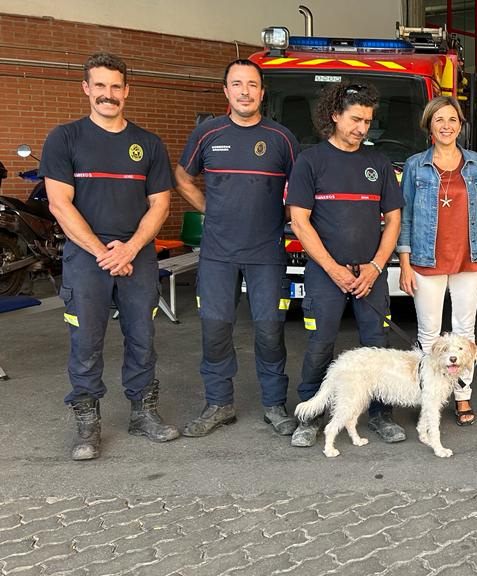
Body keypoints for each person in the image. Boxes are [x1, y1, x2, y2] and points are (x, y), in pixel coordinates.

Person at [40, 52, 178, 460]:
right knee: (85, 340)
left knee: (143, 338)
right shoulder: (64, 138)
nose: (108, 94)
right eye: (99, 86)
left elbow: (160, 205)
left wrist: (131, 248)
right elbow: (60, 204)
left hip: (137, 257)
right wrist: (104, 253)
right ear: (86, 88)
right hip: (87, 259)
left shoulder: (148, 143)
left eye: (116, 86)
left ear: (127, 91)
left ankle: (143, 413)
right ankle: (87, 423)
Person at [176, 59, 300, 438]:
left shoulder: (282, 138)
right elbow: (182, 177)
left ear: (262, 92)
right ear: (226, 91)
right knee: (214, 329)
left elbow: (300, 192)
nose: (245, 91)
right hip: (217, 254)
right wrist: (209, 208)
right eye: (237, 84)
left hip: (267, 254)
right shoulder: (207, 133)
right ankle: (219, 404)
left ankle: (274, 405)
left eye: (252, 84)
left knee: (269, 329)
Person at [286, 82, 406, 447]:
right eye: (355, 119)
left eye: (368, 121)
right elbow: (299, 220)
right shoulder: (311, 161)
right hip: (326, 274)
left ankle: (381, 416)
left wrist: (374, 266)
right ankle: (309, 416)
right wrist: (334, 268)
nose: (362, 128)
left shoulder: (379, 163)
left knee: (377, 346)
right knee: (320, 343)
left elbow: (394, 219)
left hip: (371, 273)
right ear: (334, 115)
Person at [397, 96, 477, 426]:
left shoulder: (475, 164)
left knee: (465, 334)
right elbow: (406, 216)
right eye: (439, 119)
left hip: (470, 256)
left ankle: (462, 397)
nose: (446, 125)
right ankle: (431, 398)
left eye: (452, 119)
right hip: (426, 260)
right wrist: (405, 262)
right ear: (429, 125)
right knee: (430, 335)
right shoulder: (415, 165)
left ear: (460, 125)